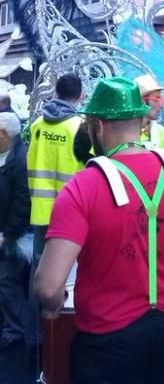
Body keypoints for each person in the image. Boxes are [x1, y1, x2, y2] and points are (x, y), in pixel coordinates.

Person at [34, 77, 164, 384]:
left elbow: (47, 287)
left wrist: (54, 304)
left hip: (105, 340)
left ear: (97, 125)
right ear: (141, 121)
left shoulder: (82, 187)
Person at [26, 73, 84, 259]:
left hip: (40, 209)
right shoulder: (79, 128)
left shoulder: (37, 125)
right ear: (80, 95)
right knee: (66, 269)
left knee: (41, 264)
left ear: (56, 92)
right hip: (71, 211)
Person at [0, 112, 30, 349]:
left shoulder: (20, 160)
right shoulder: (9, 155)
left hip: (10, 234)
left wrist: (8, 234)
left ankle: (15, 330)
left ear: (4, 134)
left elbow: (22, 202)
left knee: (7, 280)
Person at [134, 74, 164, 149]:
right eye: (157, 98)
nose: (161, 105)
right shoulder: (123, 133)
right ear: (141, 100)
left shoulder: (160, 132)